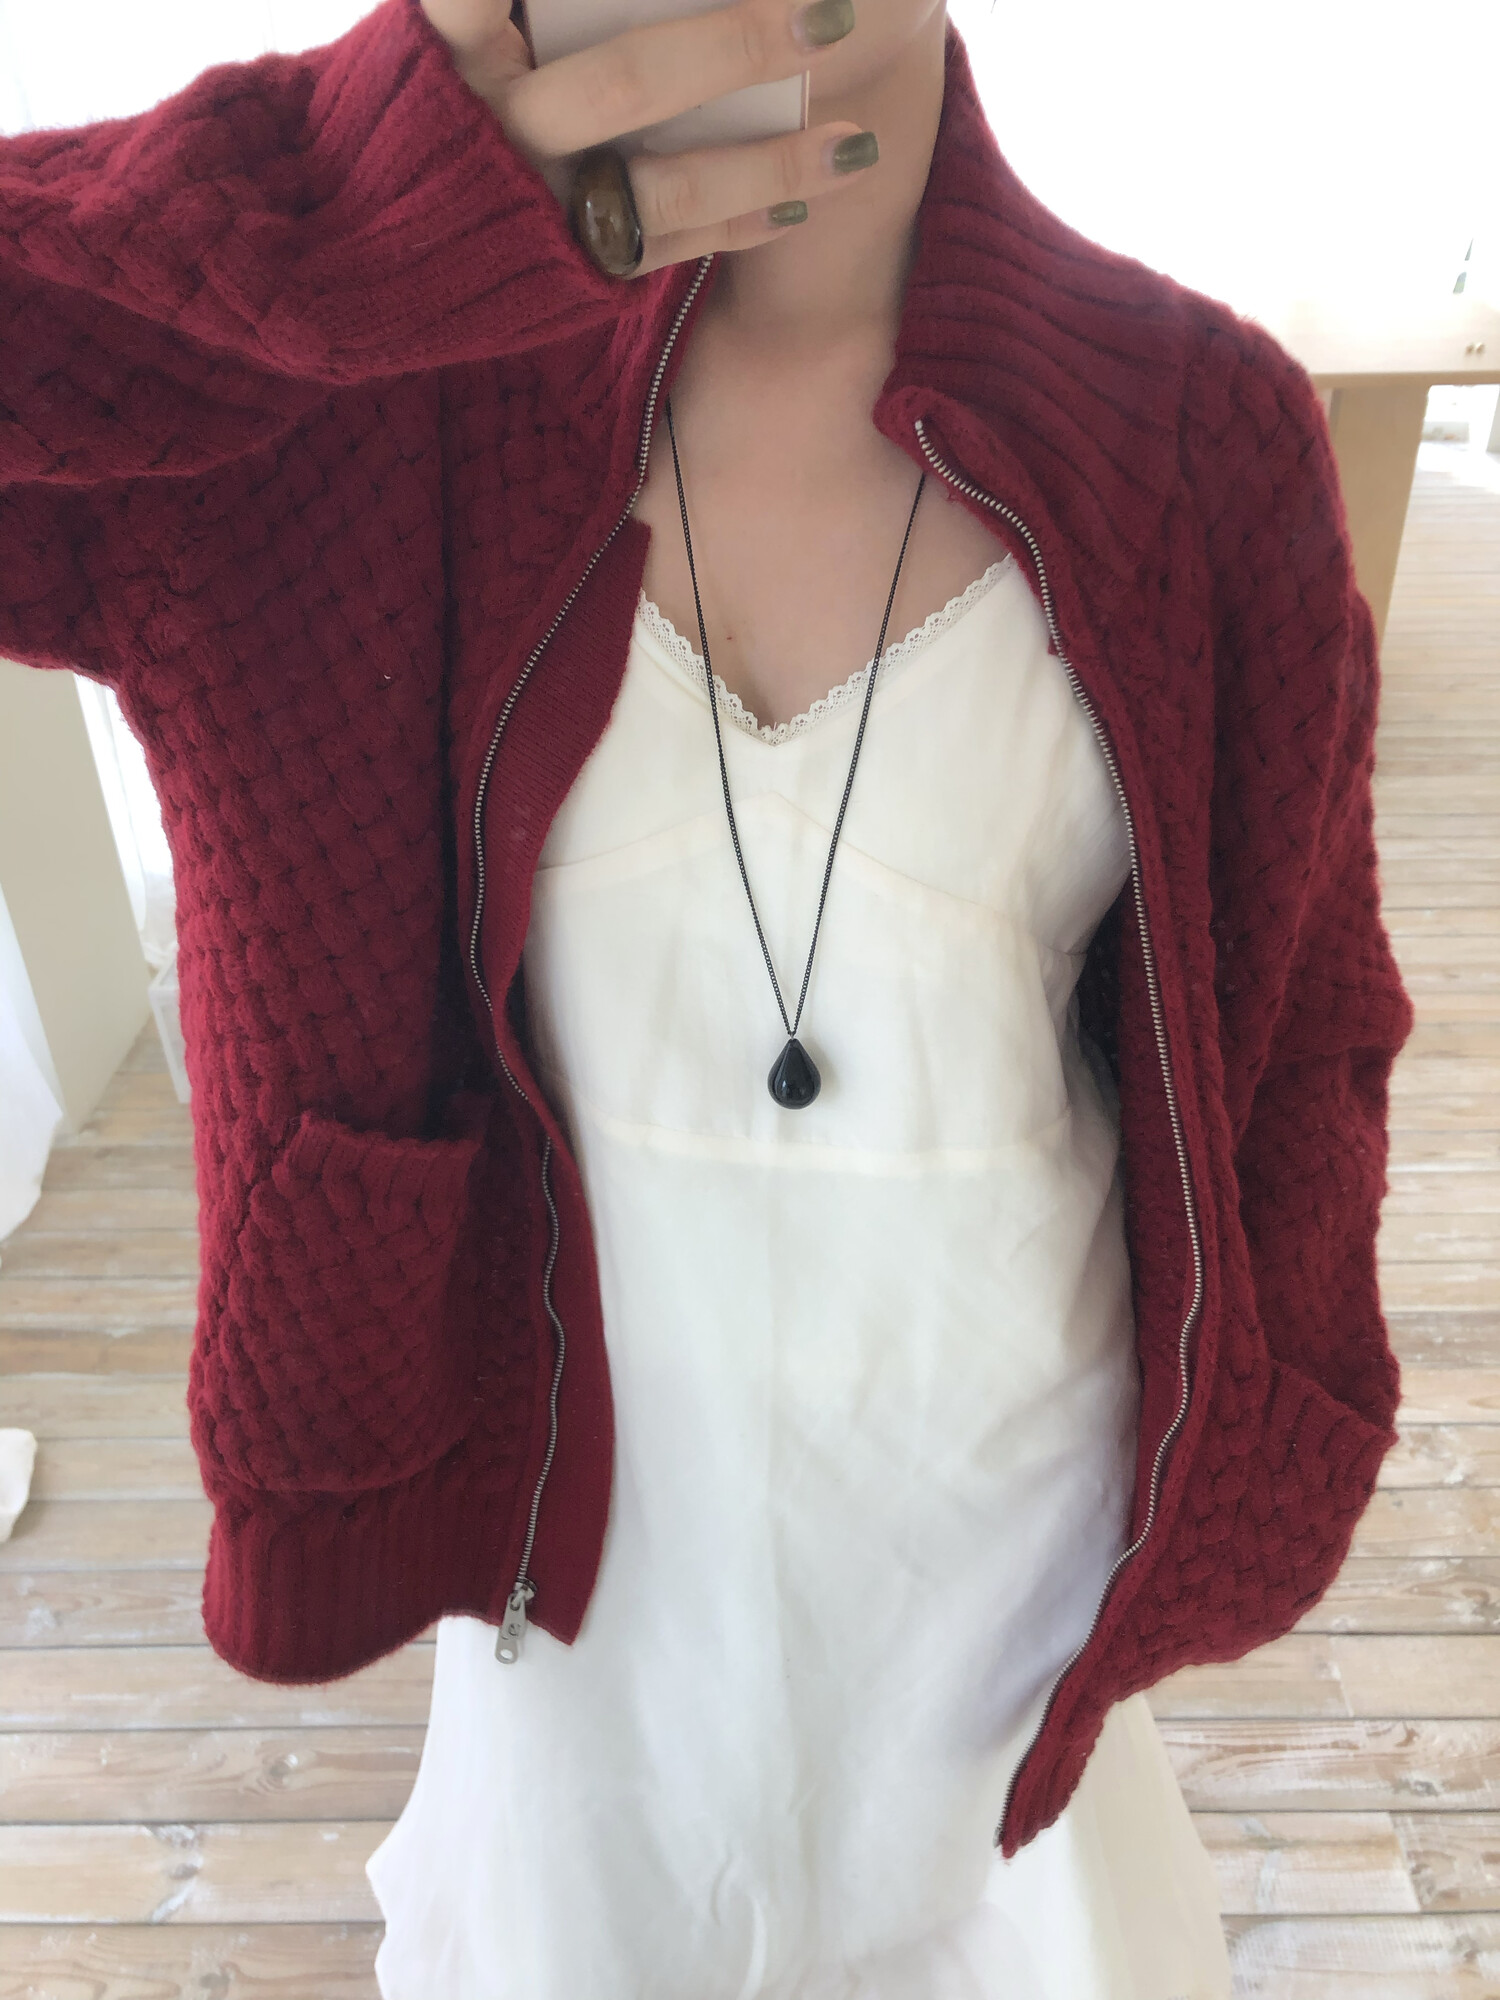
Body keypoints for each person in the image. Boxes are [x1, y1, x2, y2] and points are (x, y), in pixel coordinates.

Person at [0, 0, 1414, 1994]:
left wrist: (1272, 1414)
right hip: (576, 1590)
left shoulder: (1195, 427)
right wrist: (351, 184)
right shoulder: (364, 409)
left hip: (1007, 1586)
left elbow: (1303, 1026)